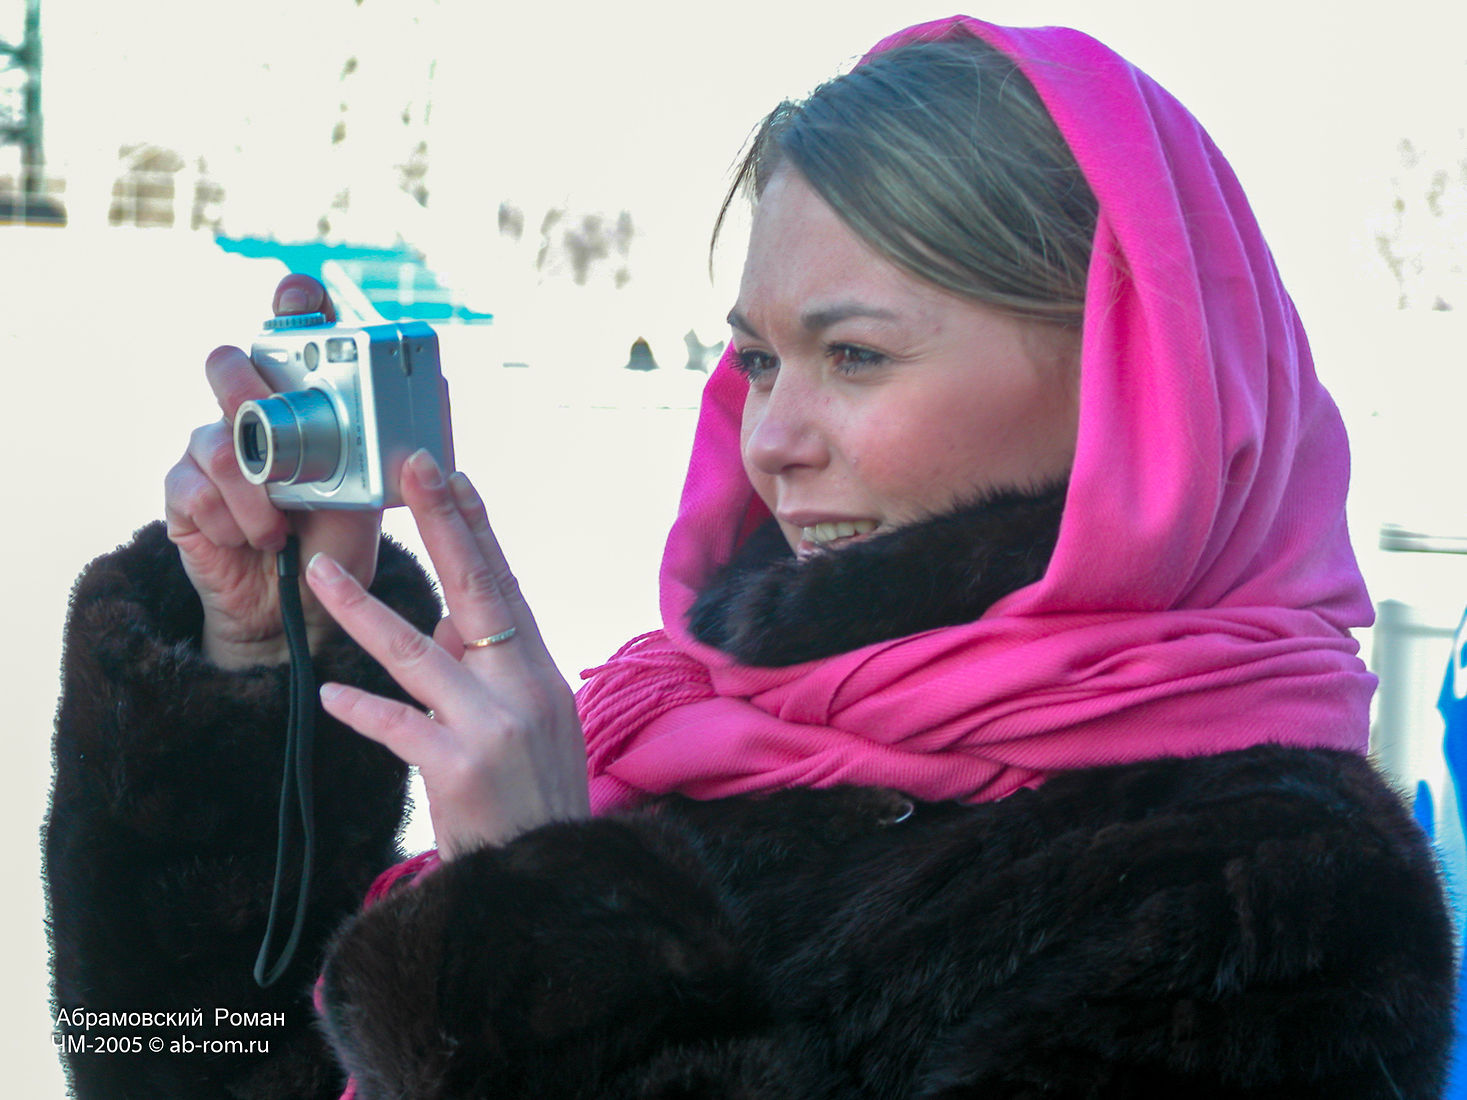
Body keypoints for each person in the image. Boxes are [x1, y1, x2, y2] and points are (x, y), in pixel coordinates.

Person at [47, 15, 1455, 1099]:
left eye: (856, 356)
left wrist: (549, 911)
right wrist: (259, 666)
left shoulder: (1273, 895)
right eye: (757, 359)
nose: (768, 435)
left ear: (1136, 389)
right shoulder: (697, 731)